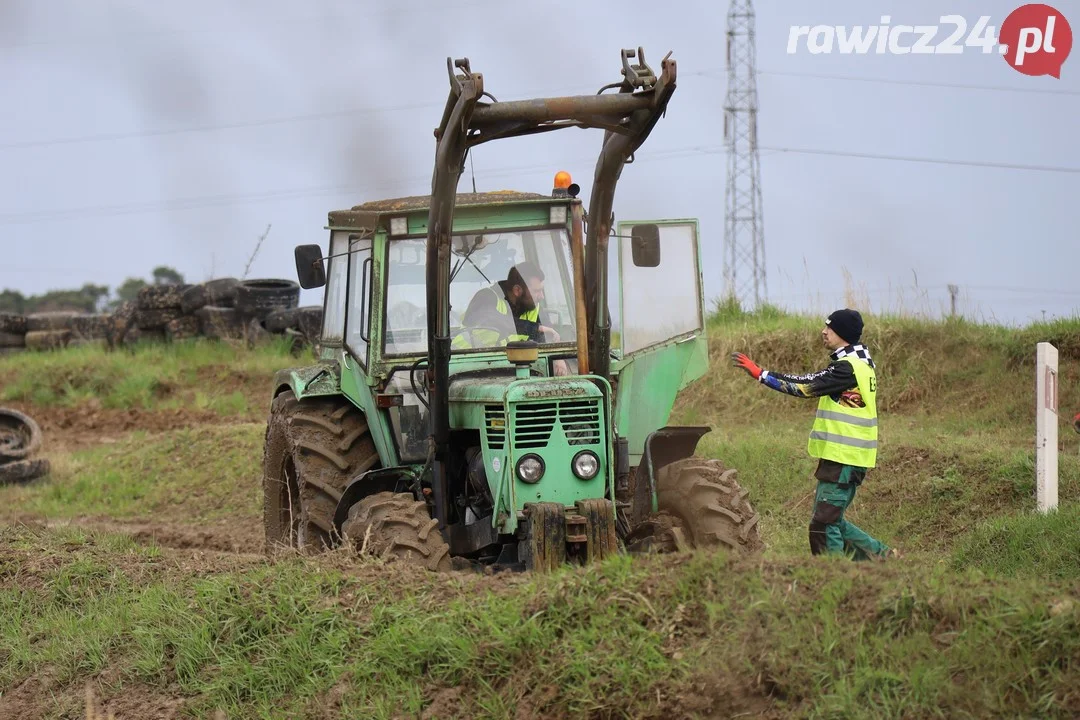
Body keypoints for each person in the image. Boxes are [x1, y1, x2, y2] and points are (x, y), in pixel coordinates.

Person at [730, 308, 899, 561]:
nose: (823, 331)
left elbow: (804, 386)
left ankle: (832, 578)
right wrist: (764, 373)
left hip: (844, 457)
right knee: (832, 521)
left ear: (842, 333)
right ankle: (884, 558)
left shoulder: (848, 368)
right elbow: (809, 379)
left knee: (822, 524)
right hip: (842, 457)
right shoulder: (856, 363)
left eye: (829, 328)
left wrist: (761, 375)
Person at [454, 263, 571, 375]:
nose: (542, 296)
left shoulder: (534, 307)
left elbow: (549, 336)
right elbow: (491, 319)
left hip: (510, 366)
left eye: (542, 290)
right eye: (536, 291)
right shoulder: (486, 298)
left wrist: (558, 358)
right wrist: (535, 328)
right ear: (517, 290)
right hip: (464, 363)